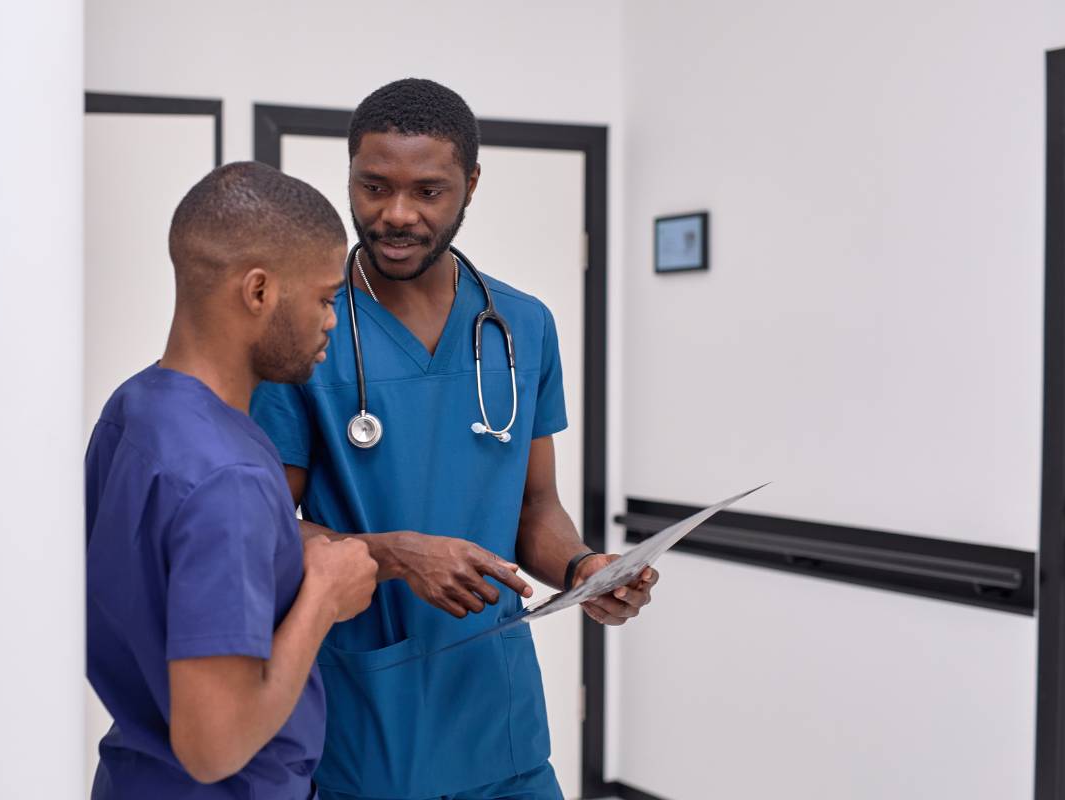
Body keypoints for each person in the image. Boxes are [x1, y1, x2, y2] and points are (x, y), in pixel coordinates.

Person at [251, 79, 659, 800]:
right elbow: (265, 531)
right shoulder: (307, 330)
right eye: (372, 186)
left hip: (499, 724)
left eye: (428, 192)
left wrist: (584, 567)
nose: (395, 215)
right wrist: (394, 555)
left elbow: (535, 509)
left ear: (470, 184)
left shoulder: (522, 326)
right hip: (364, 728)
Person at [86, 161, 378, 799]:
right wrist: (324, 597)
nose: (334, 320)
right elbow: (213, 747)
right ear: (259, 292)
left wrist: (282, 550)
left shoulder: (134, 409)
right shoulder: (231, 476)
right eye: (327, 298)